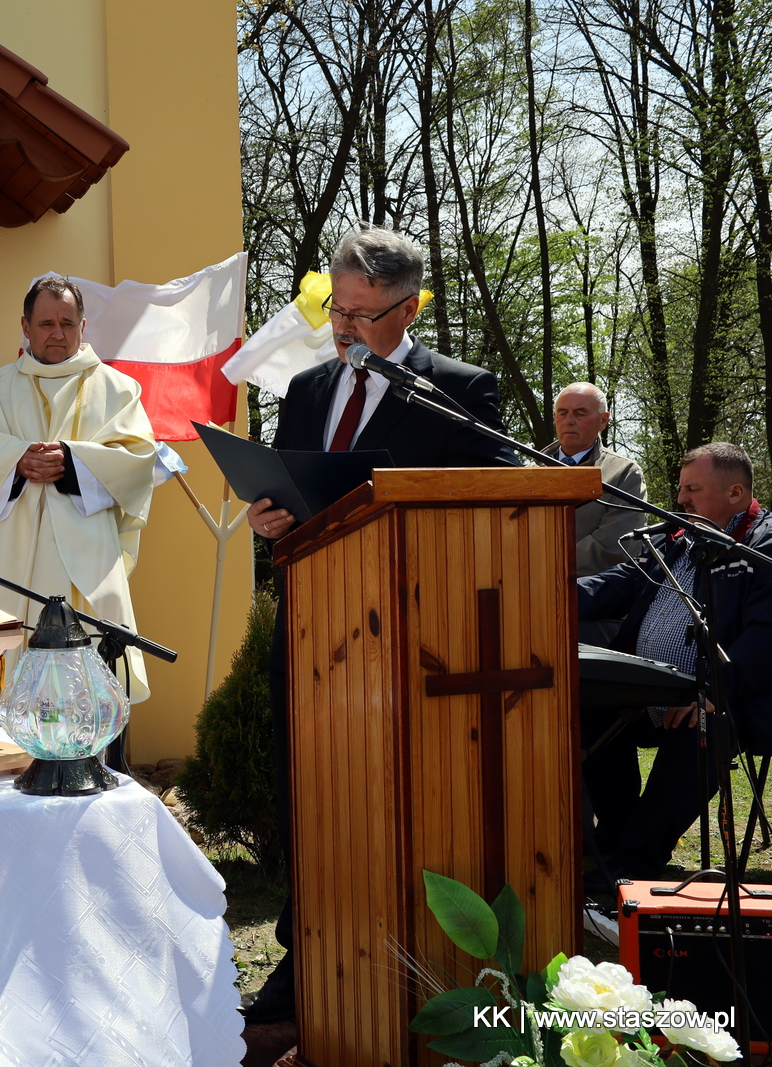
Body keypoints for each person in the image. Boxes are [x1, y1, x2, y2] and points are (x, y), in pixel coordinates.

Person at [243, 225, 518, 1025]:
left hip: (407, 635)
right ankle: (308, 952)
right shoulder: (305, 389)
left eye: (363, 314)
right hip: (309, 627)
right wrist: (268, 522)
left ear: (408, 308)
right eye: (338, 307)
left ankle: (417, 958)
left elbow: (492, 506)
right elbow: (288, 495)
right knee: (309, 794)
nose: (344, 326)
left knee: (396, 801)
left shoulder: (460, 390)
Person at [0, 276, 159, 699]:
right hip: (11, 556)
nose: (57, 333)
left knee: (89, 683)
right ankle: (10, 760)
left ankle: (88, 761)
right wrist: (14, 461)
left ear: (83, 326)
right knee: (8, 674)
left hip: (87, 556)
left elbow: (138, 458)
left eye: (67, 322)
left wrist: (75, 463)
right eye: (46, 323)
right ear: (25, 327)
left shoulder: (117, 389)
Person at [579, 442, 772, 880]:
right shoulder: (677, 536)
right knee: (588, 710)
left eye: (693, 489)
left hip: (731, 697)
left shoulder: (764, 546)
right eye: (682, 489)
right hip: (652, 690)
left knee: (701, 732)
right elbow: (622, 581)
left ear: (735, 494)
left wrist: (709, 690)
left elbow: (764, 639)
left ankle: (634, 864)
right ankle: (615, 841)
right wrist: (550, 594)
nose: (680, 499)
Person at [547, 383, 647, 644]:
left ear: (603, 421)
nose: (569, 420)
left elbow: (615, 545)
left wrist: (543, 569)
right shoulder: (528, 470)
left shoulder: (624, 474)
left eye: (580, 413)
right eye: (562, 412)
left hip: (590, 617)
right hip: (528, 607)